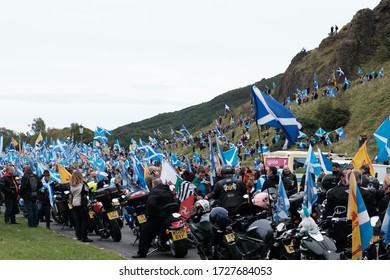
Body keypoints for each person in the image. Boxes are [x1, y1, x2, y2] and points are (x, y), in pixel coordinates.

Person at [132, 178, 175, 258]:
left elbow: (151, 204)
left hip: (159, 217)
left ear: (154, 184)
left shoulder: (154, 192)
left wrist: (148, 215)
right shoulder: (168, 190)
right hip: (171, 216)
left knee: (145, 231)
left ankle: (142, 253)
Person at [69, 169, 92, 242]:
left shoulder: (72, 185)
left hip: (74, 203)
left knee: (78, 220)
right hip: (81, 203)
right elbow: (88, 190)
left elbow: (71, 195)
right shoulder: (82, 184)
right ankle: (84, 236)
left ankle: (78, 235)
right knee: (85, 220)